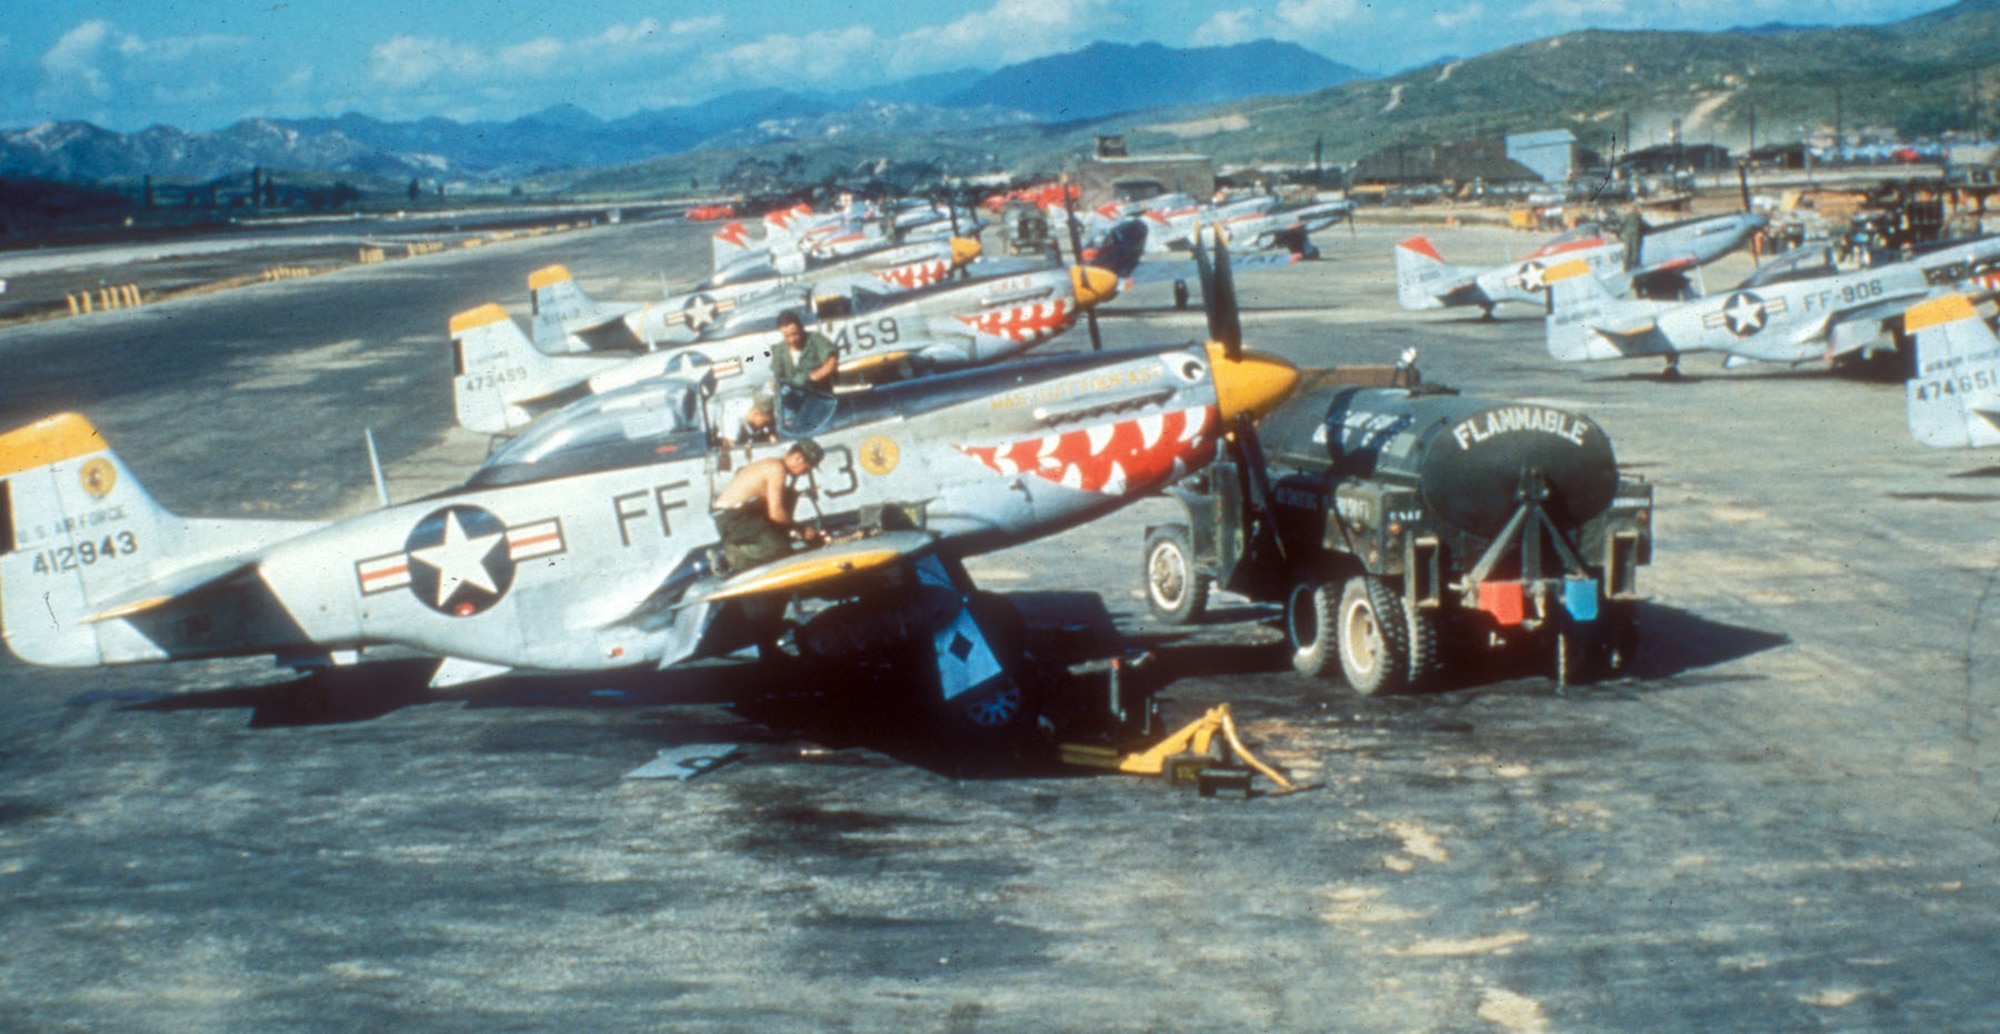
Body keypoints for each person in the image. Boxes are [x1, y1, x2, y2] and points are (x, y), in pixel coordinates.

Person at [709, 437, 824, 574]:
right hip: (733, 519)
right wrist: (801, 529)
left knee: (787, 499)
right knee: (780, 551)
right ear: (798, 458)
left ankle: (738, 551)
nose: (806, 473)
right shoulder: (776, 469)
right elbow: (776, 514)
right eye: (807, 468)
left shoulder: (771, 465)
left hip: (736, 516)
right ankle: (728, 559)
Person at [748, 311, 839, 436]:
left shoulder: (815, 339)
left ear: (801, 328)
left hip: (818, 397)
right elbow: (777, 376)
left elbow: (831, 361)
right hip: (794, 402)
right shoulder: (780, 349)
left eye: (795, 334)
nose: (792, 339)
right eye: (787, 336)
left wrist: (815, 376)